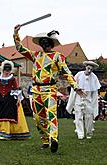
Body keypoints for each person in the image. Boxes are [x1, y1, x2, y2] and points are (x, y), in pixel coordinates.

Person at [13, 25, 86, 153]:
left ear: (51, 43)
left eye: (46, 41)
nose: (44, 43)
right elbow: (20, 48)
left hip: (50, 89)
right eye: (42, 41)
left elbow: (67, 72)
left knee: (51, 115)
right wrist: (15, 33)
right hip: (35, 90)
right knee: (37, 118)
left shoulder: (58, 56)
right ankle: (46, 140)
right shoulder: (36, 55)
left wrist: (75, 87)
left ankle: (54, 139)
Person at [0, 60, 31, 140]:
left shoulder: (12, 78)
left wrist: (17, 99)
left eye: (8, 70)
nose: (7, 71)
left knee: (8, 113)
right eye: (6, 70)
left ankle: (5, 132)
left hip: (9, 98)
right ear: (3, 69)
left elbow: (16, 88)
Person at [66, 61, 101, 139]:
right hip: (78, 99)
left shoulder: (94, 77)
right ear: (86, 67)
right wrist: (72, 101)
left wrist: (94, 105)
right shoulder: (79, 75)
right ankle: (80, 133)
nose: (89, 71)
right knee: (78, 117)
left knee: (89, 117)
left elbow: (95, 93)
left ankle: (89, 133)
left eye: (91, 69)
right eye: (88, 68)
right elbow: (73, 88)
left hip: (88, 100)